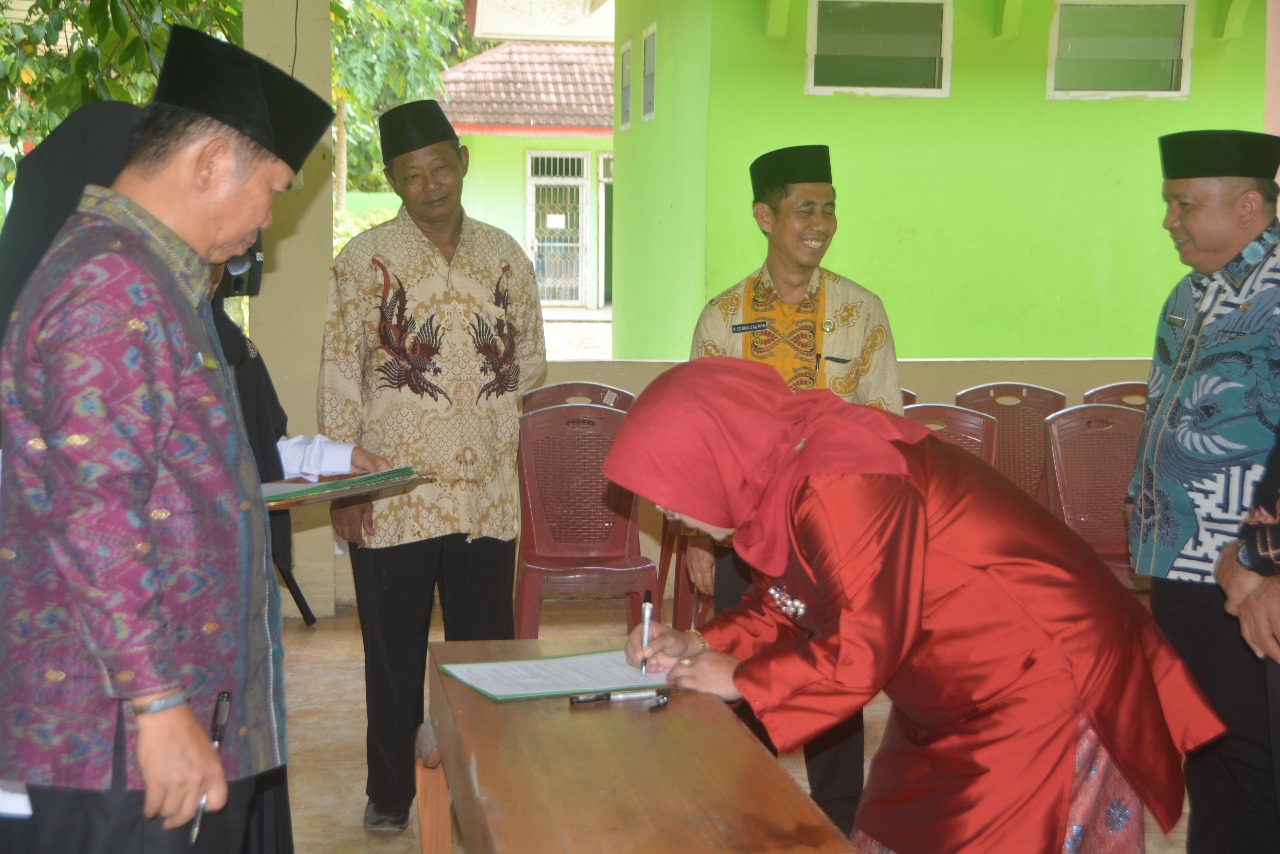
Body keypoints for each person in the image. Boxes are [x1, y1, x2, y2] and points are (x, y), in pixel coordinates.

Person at [610, 358, 1224, 852]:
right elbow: (794, 598)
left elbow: (862, 647)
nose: (664, 513)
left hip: (1038, 673)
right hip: (956, 682)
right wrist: (704, 644)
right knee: (895, 827)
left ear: (712, 454)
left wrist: (745, 678)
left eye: (666, 490)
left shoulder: (837, 482)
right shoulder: (787, 470)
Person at [0, 26, 334, 854]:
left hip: (153, 725)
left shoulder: (146, 275)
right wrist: (155, 703)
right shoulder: (112, 284)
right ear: (211, 163)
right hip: (115, 744)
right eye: (274, 189)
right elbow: (96, 513)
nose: (268, 222)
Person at [318, 99, 546, 833]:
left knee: (485, 656)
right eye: (412, 174)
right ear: (391, 179)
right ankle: (390, 793)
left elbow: (531, 366)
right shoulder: (361, 263)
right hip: (395, 498)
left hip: (487, 500)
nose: (430, 184)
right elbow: (336, 379)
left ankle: (487, 779)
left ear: (462, 160)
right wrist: (346, 490)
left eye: (440, 166)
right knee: (392, 657)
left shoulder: (506, 255)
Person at [685, 143, 901, 832]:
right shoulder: (723, 319)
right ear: (764, 215)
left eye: (829, 208)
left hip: (835, 543)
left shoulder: (861, 312)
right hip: (741, 540)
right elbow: (704, 439)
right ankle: (743, 817)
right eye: (805, 208)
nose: (821, 222)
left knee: (833, 687)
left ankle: (839, 827)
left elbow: (887, 428)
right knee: (739, 679)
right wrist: (696, 538)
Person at [1127, 129, 1280, 852]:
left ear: (1248, 206)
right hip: (1172, 558)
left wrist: (1261, 555)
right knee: (1205, 746)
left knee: (1255, 755)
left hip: (1245, 572)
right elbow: (1162, 404)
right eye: (1168, 203)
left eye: (1184, 203)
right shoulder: (1187, 294)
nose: (1169, 220)